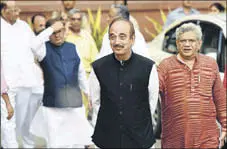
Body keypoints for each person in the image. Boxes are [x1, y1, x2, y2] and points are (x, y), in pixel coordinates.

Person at [1, 1, 63, 148]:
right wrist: (50, 30)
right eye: (14, 10)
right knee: (7, 120)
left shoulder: (23, 25)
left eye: (18, 9)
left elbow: (35, 46)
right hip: (6, 84)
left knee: (23, 121)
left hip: (27, 81)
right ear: (3, 11)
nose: (18, 12)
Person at [89, 17, 159, 148]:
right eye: (112, 37)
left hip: (140, 138)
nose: (117, 42)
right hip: (107, 138)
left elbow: (152, 101)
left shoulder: (148, 67)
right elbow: (96, 102)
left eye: (122, 37)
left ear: (132, 39)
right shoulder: (99, 67)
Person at [158, 22, 226, 148]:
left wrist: (225, 127)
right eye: (183, 41)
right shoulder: (165, 66)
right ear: (177, 43)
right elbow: (150, 94)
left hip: (208, 139)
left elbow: (220, 99)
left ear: (199, 43)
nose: (187, 44)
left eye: (191, 41)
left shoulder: (210, 64)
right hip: (175, 139)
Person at [29, 18, 94, 148]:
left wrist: (88, 93)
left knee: (77, 141)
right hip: (53, 106)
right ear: (48, 34)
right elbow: (32, 44)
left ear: (64, 31)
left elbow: (80, 73)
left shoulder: (72, 48)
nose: (57, 35)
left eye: (60, 31)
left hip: (74, 103)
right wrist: (50, 29)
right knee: (55, 143)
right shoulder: (43, 49)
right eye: (54, 32)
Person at [65, 8, 98, 118]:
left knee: (84, 111)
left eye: (78, 19)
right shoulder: (64, 36)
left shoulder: (86, 35)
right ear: (69, 20)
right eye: (73, 19)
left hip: (87, 77)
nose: (76, 22)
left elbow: (95, 58)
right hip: (69, 79)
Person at [1, 62, 17, 148]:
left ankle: (5, 145)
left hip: (11, 87)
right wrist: (7, 103)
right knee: (9, 121)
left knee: (9, 123)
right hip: (6, 91)